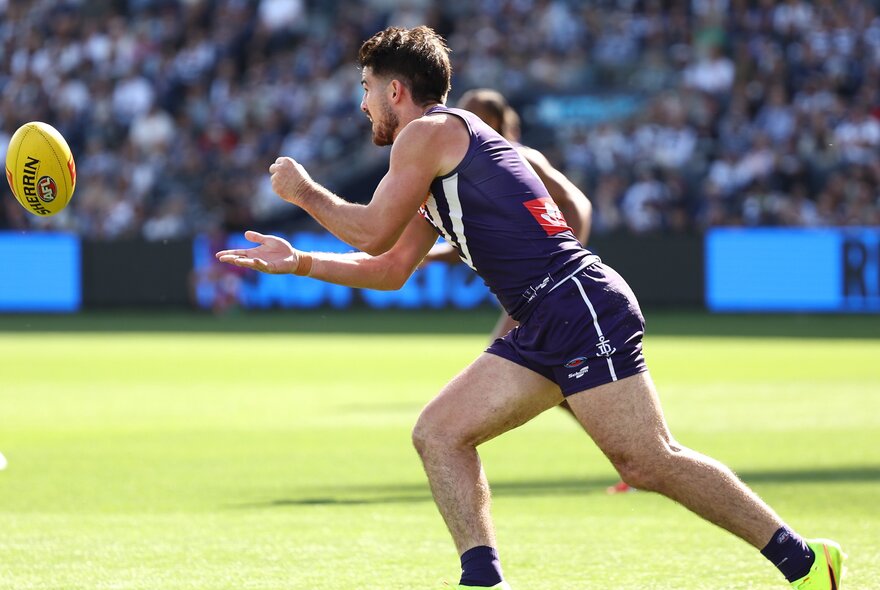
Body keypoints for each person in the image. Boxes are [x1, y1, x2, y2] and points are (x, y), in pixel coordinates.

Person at [216, 26, 846, 590]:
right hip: (543, 315)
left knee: (648, 460)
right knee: (440, 434)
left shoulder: (429, 133)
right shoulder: (433, 153)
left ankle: (806, 564)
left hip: (574, 304)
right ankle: (483, 581)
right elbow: (389, 268)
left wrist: (302, 192)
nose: (362, 104)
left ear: (398, 90)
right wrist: (297, 261)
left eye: (366, 88)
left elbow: (374, 231)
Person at [423, 88, 634, 494]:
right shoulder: (473, 163)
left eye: (476, 113)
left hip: (548, 290)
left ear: (499, 123)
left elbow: (578, 203)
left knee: (513, 368)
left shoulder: (514, 156)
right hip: (535, 291)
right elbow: (470, 239)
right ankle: (628, 454)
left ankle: (630, 454)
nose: (464, 119)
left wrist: (560, 257)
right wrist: (430, 257)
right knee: (552, 377)